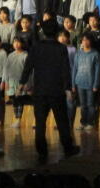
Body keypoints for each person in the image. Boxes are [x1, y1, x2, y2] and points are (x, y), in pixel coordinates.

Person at [19, 18, 79, 164]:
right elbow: (65, 70)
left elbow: (28, 66)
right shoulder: (61, 48)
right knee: (62, 121)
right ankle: (68, 147)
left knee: (40, 122)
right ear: (56, 31)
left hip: (40, 90)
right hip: (56, 90)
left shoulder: (36, 47)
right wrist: (68, 88)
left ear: (43, 32)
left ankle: (42, 151)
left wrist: (22, 82)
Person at [72, 33, 100, 131]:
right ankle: (83, 123)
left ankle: (90, 123)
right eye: (83, 40)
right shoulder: (78, 53)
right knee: (82, 105)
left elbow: (98, 71)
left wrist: (96, 84)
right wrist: (73, 84)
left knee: (90, 104)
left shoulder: (95, 54)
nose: (85, 42)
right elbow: (74, 69)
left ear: (91, 41)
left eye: (87, 40)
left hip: (90, 83)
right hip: (79, 82)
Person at [2, 37, 29, 128]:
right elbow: (6, 69)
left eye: (18, 42)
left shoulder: (25, 55)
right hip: (11, 81)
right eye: (14, 42)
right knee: (14, 100)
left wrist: (27, 83)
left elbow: (28, 70)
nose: (16, 44)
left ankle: (19, 120)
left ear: (22, 43)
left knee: (20, 100)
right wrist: (5, 81)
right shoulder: (10, 55)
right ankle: (16, 118)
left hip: (20, 82)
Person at [58, 30, 77, 126]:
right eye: (60, 36)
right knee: (59, 102)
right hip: (58, 78)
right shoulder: (55, 48)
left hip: (69, 77)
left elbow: (74, 65)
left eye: (64, 36)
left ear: (68, 38)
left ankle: (69, 122)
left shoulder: (72, 49)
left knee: (70, 101)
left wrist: (73, 80)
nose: (62, 38)